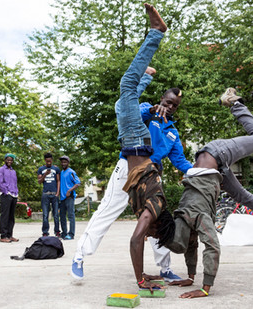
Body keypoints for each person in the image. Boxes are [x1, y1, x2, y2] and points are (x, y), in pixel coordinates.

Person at [71, 3, 190, 282]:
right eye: (167, 102)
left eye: (174, 106)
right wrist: (151, 110)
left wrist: (201, 171)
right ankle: (80, 255)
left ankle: (165, 269)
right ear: (162, 100)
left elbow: (181, 161)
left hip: (150, 173)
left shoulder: (172, 132)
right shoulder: (148, 110)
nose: (169, 107)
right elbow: (132, 111)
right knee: (107, 209)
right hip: (128, 161)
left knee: (157, 219)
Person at [164, 88, 253, 298]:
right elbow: (191, 245)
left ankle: (233, 102)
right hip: (214, 169)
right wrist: (190, 277)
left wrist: (205, 289)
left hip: (217, 152)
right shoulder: (184, 218)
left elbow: (212, 247)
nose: (191, 242)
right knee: (241, 195)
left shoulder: (194, 216)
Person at [37, 153, 61, 237]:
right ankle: (45, 232)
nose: (49, 163)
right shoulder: (41, 169)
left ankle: (57, 232)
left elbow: (58, 181)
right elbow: (39, 181)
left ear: (52, 160)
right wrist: (45, 175)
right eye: (47, 161)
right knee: (45, 215)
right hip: (45, 194)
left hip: (54, 194)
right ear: (45, 161)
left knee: (56, 215)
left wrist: (57, 193)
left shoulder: (56, 169)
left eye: (50, 161)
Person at [0, 153, 19, 243]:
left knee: (11, 217)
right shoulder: (1, 170)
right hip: (6, 195)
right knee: (5, 216)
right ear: (5, 160)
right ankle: (3, 236)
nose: (9, 161)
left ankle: (9, 235)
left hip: (14, 195)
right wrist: (6, 192)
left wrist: (16, 193)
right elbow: (0, 182)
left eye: (11, 160)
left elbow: (15, 183)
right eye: (8, 160)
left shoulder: (13, 171)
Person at [59, 156, 81, 240]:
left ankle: (71, 234)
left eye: (65, 162)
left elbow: (78, 183)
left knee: (71, 216)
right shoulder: (61, 172)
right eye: (62, 162)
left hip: (69, 197)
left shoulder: (71, 172)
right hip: (62, 198)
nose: (63, 163)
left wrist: (69, 191)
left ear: (68, 163)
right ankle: (64, 233)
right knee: (62, 216)